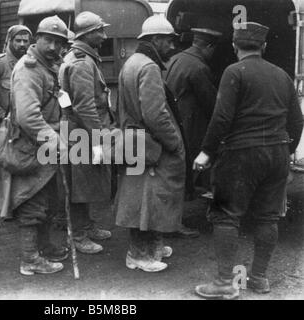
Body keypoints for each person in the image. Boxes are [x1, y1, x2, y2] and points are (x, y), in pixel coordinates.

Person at [193, 22, 303, 299]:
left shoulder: (234, 72)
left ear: (234, 46)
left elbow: (221, 118)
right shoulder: (282, 75)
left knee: (226, 216)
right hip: (278, 152)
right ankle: (259, 279)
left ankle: (223, 283)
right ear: (263, 46)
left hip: (242, 153)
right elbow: (297, 120)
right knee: (268, 216)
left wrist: (207, 151)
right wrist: (287, 152)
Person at [115, 15, 186, 272]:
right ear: (155, 41)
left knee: (143, 198)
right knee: (147, 199)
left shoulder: (132, 62)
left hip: (137, 141)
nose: (172, 47)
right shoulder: (149, 67)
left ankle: (151, 247)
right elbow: (155, 114)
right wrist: (174, 142)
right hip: (152, 143)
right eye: (168, 41)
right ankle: (139, 254)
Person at [10, 15, 69, 275]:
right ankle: (29, 259)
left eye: (59, 42)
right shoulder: (29, 69)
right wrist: (55, 140)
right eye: (49, 40)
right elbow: (28, 116)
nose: (54, 47)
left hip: (46, 144)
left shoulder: (48, 66)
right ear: (37, 39)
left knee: (47, 200)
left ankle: (43, 247)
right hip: (31, 145)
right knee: (32, 201)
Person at [59, 11, 113, 254]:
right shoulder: (81, 62)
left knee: (86, 182)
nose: (104, 35)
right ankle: (78, 236)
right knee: (80, 184)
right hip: (81, 131)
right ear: (88, 34)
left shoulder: (85, 57)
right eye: (100, 31)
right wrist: (98, 138)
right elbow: (84, 105)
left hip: (82, 129)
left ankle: (86, 226)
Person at [164, 28, 222, 237]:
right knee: (184, 174)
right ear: (208, 46)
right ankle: (174, 223)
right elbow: (212, 105)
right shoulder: (198, 67)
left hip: (173, 124)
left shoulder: (176, 58)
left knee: (174, 174)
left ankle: (169, 220)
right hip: (190, 129)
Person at [0, 24, 32, 221]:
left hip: (25, 123)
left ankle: (21, 203)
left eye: (26, 41)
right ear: (9, 41)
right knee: (5, 165)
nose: (22, 44)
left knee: (23, 164)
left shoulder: (30, 62)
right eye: (18, 40)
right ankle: (6, 208)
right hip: (5, 124)